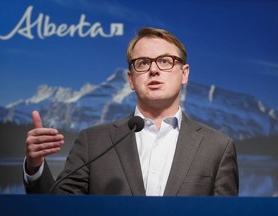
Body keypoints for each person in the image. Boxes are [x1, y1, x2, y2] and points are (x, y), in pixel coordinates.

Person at [23, 27, 239, 196]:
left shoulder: (218, 147)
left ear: (184, 74)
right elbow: (57, 207)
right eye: (143, 63)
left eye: (165, 61)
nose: (154, 70)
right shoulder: (93, 142)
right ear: (130, 79)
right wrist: (35, 167)